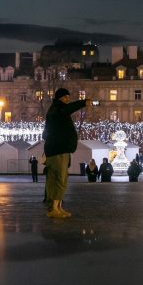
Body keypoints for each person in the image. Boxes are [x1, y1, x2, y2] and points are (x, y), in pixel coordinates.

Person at [43, 88, 89, 218]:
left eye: (68, 97)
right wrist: (83, 102)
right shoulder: (58, 109)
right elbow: (68, 109)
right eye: (65, 98)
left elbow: (45, 133)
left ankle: (56, 207)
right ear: (59, 98)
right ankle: (55, 208)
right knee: (61, 179)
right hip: (59, 150)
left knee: (53, 179)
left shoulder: (53, 110)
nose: (67, 100)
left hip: (54, 150)